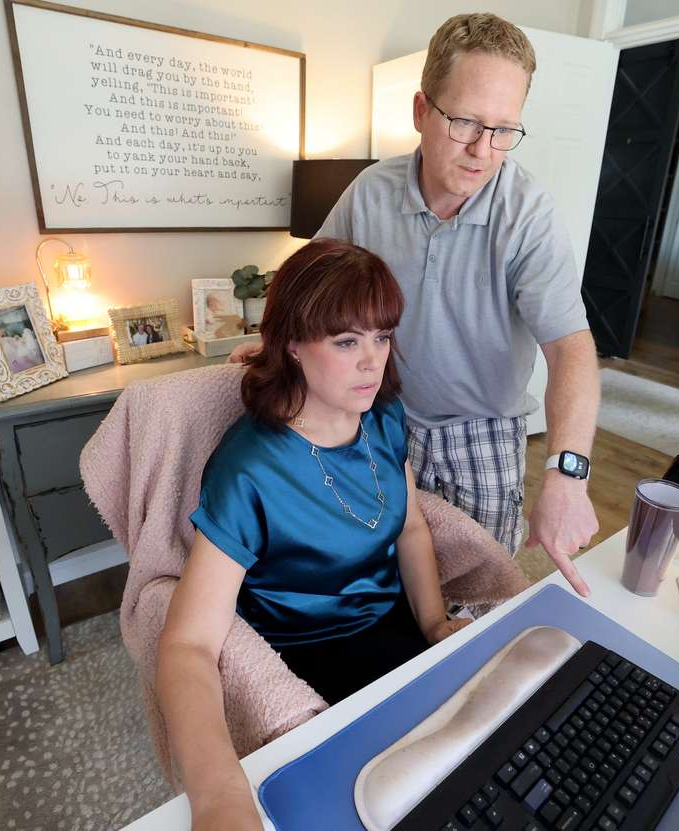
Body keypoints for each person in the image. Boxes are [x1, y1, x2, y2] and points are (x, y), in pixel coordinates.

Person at [235, 14, 601, 595]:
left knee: (481, 590)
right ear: (420, 112)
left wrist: (567, 473)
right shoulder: (370, 192)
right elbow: (309, 280)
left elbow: (570, 347)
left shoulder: (528, 214)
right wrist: (277, 341)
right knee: (376, 576)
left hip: (480, 430)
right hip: (379, 416)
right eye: (466, 123)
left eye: (505, 130)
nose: (484, 151)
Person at [157, 238, 470, 831]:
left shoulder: (384, 417)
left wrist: (433, 624)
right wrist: (219, 797)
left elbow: (409, 526)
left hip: (393, 631)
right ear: (293, 345)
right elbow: (188, 644)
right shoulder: (250, 468)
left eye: (382, 337)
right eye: (347, 341)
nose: (373, 362)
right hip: (304, 659)